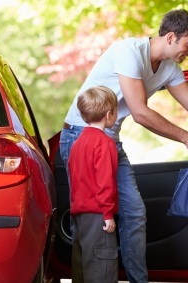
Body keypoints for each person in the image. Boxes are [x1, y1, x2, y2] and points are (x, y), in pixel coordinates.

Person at [60, 9, 188, 283]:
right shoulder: (128, 52)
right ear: (170, 37)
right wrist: (187, 138)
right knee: (90, 219)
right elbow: (140, 112)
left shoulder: (169, 68)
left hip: (110, 140)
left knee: (134, 213)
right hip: (81, 137)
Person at [68, 86, 119, 283]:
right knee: (101, 269)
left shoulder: (77, 144)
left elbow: (75, 179)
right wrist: (108, 214)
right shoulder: (105, 144)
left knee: (82, 267)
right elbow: (105, 182)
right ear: (108, 115)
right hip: (98, 216)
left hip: (79, 215)